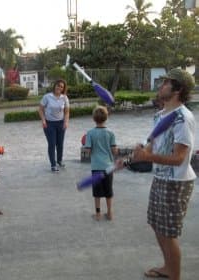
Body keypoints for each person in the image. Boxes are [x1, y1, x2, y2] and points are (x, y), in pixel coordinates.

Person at [123, 69, 195, 280]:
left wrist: (147, 156)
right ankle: (168, 266)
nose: (161, 84)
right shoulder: (159, 115)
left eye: (166, 82)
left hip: (176, 182)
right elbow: (152, 151)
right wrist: (131, 157)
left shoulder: (182, 118)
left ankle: (175, 275)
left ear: (178, 89)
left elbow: (179, 158)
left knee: (169, 232)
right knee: (157, 224)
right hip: (161, 178)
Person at [84, 106, 118, 221]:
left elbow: (88, 152)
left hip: (96, 166)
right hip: (108, 166)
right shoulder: (111, 133)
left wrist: (88, 147)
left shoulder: (90, 133)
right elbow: (114, 151)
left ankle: (98, 214)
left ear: (93, 118)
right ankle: (109, 213)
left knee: (97, 192)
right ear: (106, 117)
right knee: (109, 191)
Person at [38, 79, 70, 172]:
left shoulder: (64, 98)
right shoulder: (47, 97)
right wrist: (43, 120)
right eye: (58, 85)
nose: (59, 87)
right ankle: (53, 164)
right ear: (54, 85)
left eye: (61, 86)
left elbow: (67, 112)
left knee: (60, 144)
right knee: (52, 144)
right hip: (49, 124)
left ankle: (59, 161)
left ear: (63, 89)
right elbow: (40, 109)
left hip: (61, 123)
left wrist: (66, 122)